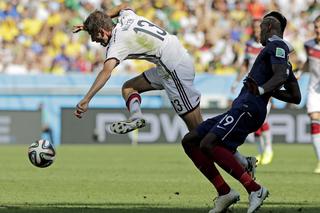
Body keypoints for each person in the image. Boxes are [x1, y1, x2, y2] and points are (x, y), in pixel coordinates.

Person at [72, 3, 256, 174]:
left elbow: (106, 71)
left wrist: (87, 99)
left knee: (199, 135)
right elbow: (124, 6)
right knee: (129, 88)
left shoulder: (117, 42)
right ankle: (136, 117)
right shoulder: (127, 18)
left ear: (103, 31)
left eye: (94, 36)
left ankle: (242, 166)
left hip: (174, 70)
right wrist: (89, 25)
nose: (95, 41)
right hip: (170, 63)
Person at [182, 11, 301, 213]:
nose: (258, 33)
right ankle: (225, 191)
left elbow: (281, 77)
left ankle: (255, 189)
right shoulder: (279, 56)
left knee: (209, 143)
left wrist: (263, 90)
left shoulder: (277, 45)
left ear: (270, 27)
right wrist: (267, 89)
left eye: (261, 28)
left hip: (249, 107)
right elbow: (295, 96)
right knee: (191, 139)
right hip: (241, 106)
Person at [231, 19, 273, 165]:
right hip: (250, 88)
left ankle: (268, 149)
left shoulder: (269, 45)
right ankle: (261, 152)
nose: (256, 30)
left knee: (263, 119)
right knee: (253, 121)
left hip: (265, 88)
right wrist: (236, 82)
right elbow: (244, 65)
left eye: (259, 28)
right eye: (254, 28)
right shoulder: (249, 45)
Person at [301, 15, 320, 174]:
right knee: (314, 123)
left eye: (319, 26)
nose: (318, 29)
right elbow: (309, 61)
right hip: (314, 90)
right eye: (316, 26)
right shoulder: (308, 45)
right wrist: (300, 72)